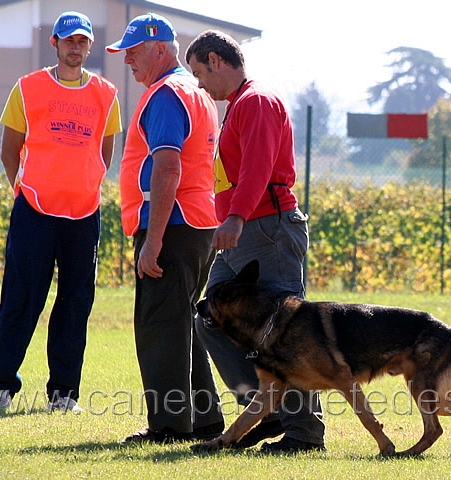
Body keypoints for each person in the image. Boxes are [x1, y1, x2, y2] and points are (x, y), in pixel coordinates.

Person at [186, 30, 326, 453]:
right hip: (241, 233)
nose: (199, 84)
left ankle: (304, 434)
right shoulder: (236, 106)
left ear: (216, 60)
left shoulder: (256, 101)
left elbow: (258, 169)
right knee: (210, 317)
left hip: (266, 229)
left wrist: (235, 216)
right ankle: (264, 411)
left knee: (287, 334)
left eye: (198, 73)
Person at [0, 11, 121, 413]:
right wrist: (24, 192)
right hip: (35, 212)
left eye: (82, 41)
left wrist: (82, 185)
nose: (75, 48)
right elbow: (11, 150)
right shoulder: (28, 88)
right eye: (68, 41)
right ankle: (0, 389)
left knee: (76, 303)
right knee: (21, 300)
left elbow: (104, 153)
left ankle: (63, 394)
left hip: (84, 215)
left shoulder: (106, 93)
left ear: (90, 46)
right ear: (55, 44)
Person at [105, 13, 225, 443]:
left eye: (133, 52)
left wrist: (152, 240)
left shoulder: (166, 94)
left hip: (172, 224)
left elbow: (167, 166)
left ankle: (170, 427)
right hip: (198, 223)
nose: (127, 61)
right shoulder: (196, 91)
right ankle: (205, 420)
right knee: (182, 322)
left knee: (160, 325)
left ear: (159, 49)